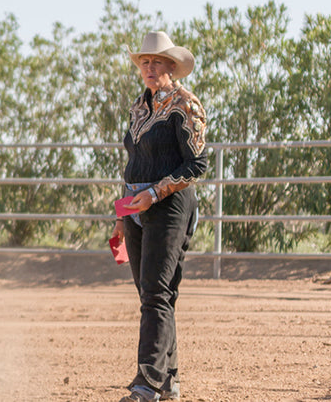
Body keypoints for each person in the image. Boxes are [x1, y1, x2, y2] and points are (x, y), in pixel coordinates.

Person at [114, 31, 208, 402]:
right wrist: (122, 212)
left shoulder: (186, 104)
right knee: (153, 295)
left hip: (169, 205)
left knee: (155, 293)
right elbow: (132, 162)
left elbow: (196, 164)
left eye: (157, 62)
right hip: (135, 206)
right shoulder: (139, 106)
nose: (150, 68)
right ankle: (168, 380)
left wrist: (153, 193)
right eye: (145, 62)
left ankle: (147, 384)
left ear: (172, 68)